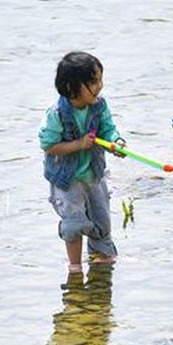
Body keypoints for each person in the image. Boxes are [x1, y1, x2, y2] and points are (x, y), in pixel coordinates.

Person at [40, 52, 125, 273]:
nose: (99, 87)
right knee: (74, 222)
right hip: (67, 180)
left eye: (100, 80)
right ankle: (75, 266)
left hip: (93, 174)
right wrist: (79, 144)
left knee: (102, 221)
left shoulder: (99, 106)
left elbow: (108, 128)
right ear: (72, 87)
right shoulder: (57, 114)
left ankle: (102, 259)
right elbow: (48, 145)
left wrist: (116, 142)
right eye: (93, 82)